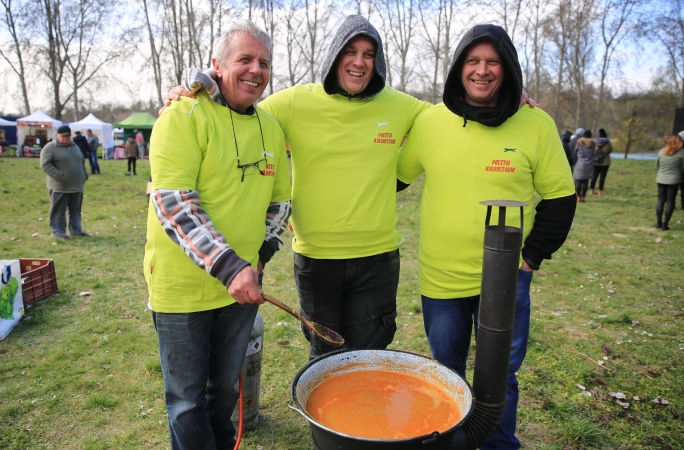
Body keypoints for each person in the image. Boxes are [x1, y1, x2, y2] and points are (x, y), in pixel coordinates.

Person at [163, 16, 536, 360]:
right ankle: (328, 433)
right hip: (316, 258)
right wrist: (197, 88)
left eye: (369, 54)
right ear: (334, 56)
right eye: (350, 52)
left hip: (377, 259)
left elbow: (457, 114)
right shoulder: (293, 103)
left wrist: (509, 97)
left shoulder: (403, 107)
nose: (359, 63)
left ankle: (364, 430)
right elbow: (239, 101)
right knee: (324, 355)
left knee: (369, 355)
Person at [396, 24, 576, 449]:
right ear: (459, 68)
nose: (481, 71)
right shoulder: (430, 122)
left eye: (492, 61)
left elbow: (561, 197)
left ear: (507, 67)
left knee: (499, 378)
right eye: (472, 61)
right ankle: (453, 443)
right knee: (447, 374)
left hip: (506, 281)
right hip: (441, 282)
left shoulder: (535, 123)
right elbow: (391, 181)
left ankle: (498, 444)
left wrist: (529, 259)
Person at [144, 21, 291, 450]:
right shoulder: (183, 115)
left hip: (240, 290)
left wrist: (260, 257)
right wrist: (230, 266)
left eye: (263, 62)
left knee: (225, 392)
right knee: (187, 403)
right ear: (217, 66)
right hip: (182, 289)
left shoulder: (271, 127)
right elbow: (174, 204)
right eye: (244, 59)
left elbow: (280, 204)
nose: (255, 70)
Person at [40, 125, 90, 239]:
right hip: (60, 186)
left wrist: (84, 175)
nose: (66, 139)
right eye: (63, 136)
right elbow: (45, 165)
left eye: (68, 136)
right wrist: (59, 176)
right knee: (58, 211)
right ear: (57, 136)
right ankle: (58, 232)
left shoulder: (74, 147)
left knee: (75, 210)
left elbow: (82, 162)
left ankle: (76, 230)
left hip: (76, 186)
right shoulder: (50, 148)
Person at [655, 134, 684, 230]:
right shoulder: (681, 153)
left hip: (661, 179)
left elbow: (657, 165)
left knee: (661, 200)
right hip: (674, 180)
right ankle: (665, 224)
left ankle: (658, 223)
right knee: (670, 201)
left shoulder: (661, 152)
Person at [573, 130, 595, 202]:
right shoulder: (592, 143)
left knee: (578, 181)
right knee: (586, 182)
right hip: (589, 165)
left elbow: (575, 151)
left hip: (580, 164)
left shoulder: (579, 142)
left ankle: (578, 196)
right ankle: (583, 197)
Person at [590, 128, 613, 195]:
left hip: (595, 162)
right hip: (605, 163)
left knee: (594, 176)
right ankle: (600, 191)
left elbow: (593, 151)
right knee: (602, 177)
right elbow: (610, 150)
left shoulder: (595, 143)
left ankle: (591, 189)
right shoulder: (608, 144)